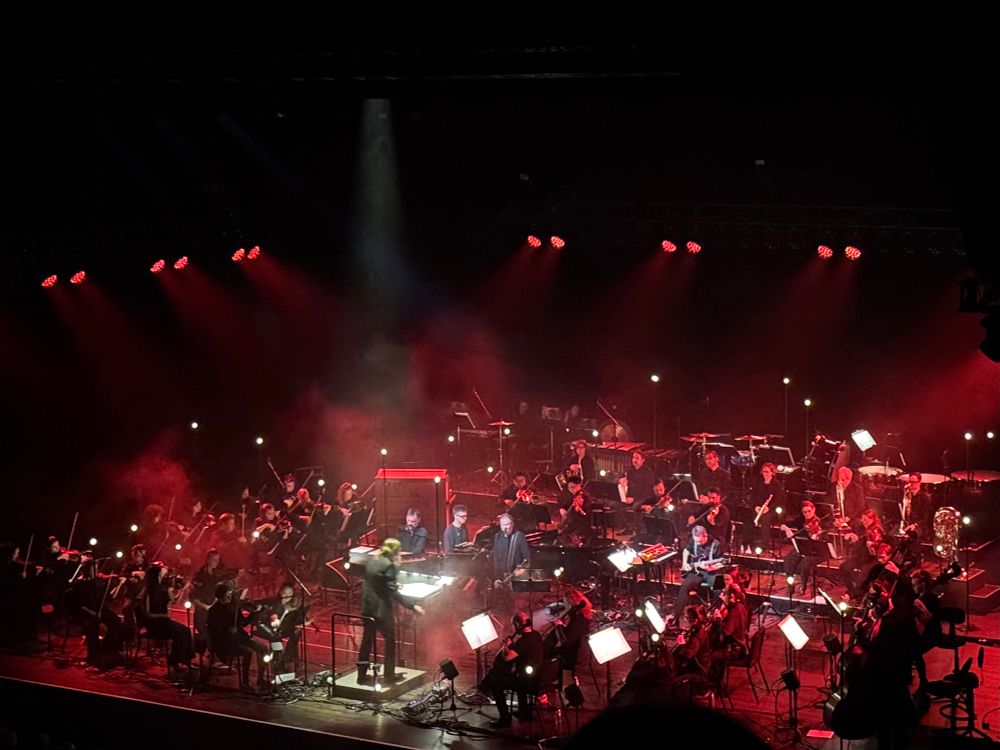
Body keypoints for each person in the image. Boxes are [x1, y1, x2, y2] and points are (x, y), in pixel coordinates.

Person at [357, 538, 425, 684]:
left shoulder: (374, 560)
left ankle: (361, 676)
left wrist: (391, 583)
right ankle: (389, 675)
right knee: (390, 641)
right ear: (396, 552)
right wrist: (412, 606)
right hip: (381, 610)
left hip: (367, 607)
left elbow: (378, 583)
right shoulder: (390, 565)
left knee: (366, 641)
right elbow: (393, 592)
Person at [480, 610, 545, 728]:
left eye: (515, 625)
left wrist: (506, 645)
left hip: (528, 682)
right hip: (537, 677)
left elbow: (507, 658)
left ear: (518, 625)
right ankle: (524, 711)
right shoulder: (536, 635)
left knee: (495, 683)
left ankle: (505, 718)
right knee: (517, 676)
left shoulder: (524, 640)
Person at [207, 582, 269, 688]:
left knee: (263, 648)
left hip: (239, 637)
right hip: (224, 642)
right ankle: (245, 682)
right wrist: (228, 630)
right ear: (222, 595)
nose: (231, 596)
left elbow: (243, 623)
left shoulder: (233, 606)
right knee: (247, 651)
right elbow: (214, 631)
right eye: (228, 593)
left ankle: (261, 679)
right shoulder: (214, 610)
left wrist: (255, 613)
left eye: (231, 593)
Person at [143, 561, 194, 673]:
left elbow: (174, 601)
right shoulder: (149, 590)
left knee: (186, 630)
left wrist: (182, 590)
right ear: (158, 573)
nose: (165, 569)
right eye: (162, 569)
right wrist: (164, 615)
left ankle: (185, 659)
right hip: (155, 624)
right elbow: (147, 614)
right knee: (179, 633)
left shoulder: (162, 588)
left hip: (164, 622)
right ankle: (174, 661)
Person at [189, 548, 235, 653]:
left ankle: (216, 653)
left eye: (218, 560)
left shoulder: (216, 576)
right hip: (201, 609)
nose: (216, 563)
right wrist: (205, 606)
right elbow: (193, 595)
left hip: (213, 608)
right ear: (207, 559)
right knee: (203, 631)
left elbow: (219, 593)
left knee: (218, 630)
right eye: (214, 560)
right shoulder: (199, 575)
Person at [671, 526, 721, 621]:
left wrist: (711, 567)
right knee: (685, 586)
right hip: (698, 571)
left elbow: (719, 563)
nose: (697, 543)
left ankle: (715, 613)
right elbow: (686, 550)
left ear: (705, 536)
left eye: (700, 541)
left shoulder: (716, 544)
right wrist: (685, 563)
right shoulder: (693, 540)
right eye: (696, 541)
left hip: (712, 571)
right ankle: (675, 615)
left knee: (719, 587)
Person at [780, 500, 828, 596]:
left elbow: (824, 541)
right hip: (803, 547)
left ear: (814, 510)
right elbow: (787, 523)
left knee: (805, 562)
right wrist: (784, 526)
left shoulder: (820, 522)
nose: (807, 514)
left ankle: (804, 585)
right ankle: (790, 584)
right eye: (804, 512)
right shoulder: (801, 520)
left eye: (809, 511)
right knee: (788, 559)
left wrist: (817, 536)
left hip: (816, 551)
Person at [841, 509, 884, 600]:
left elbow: (875, 547)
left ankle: (856, 595)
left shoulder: (876, 530)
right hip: (863, 556)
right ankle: (851, 591)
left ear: (872, 519)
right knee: (843, 567)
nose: (863, 522)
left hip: (873, 559)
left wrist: (871, 544)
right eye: (862, 519)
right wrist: (854, 539)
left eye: (866, 520)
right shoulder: (864, 528)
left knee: (863, 575)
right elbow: (861, 542)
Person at [743, 462, 786, 551]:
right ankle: (747, 542)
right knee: (747, 516)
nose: (765, 474)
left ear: (772, 473)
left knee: (765, 518)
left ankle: (764, 543)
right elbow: (753, 497)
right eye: (763, 472)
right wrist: (755, 507)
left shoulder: (776, 484)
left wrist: (768, 508)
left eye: (767, 472)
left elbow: (779, 500)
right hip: (758, 508)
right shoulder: (758, 482)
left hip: (771, 510)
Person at [614, 451, 656, 534]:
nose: (634, 460)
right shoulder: (629, 470)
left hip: (644, 497)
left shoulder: (648, 472)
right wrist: (620, 480)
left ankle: (638, 530)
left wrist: (634, 499)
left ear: (642, 460)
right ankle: (628, 527)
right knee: (616, 504)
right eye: (633, 458)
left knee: (636, 506)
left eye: (637, 458)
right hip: (630, 497)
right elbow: (617, 478)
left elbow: (648, 490)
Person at [491, 514, 531, 585]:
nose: (505, 528)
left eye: (507, 524)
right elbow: (495, 559)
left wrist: (522, 570)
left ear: (512, 524)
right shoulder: (497, 537)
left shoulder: (519, 536)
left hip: (515, 578)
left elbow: (527, 558)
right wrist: (496, 578)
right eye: (502, 525)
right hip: (501, 578)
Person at [687, 488, 731, 553]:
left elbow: (716, 526)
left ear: (719, 497)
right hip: (703, 538)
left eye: (713, 498)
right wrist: (692, 518)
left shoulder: (723, 510)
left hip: (716, 540)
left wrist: (711, 519)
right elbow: (693, 517)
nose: (711, 500)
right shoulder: (707, 507)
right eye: (709, 498)